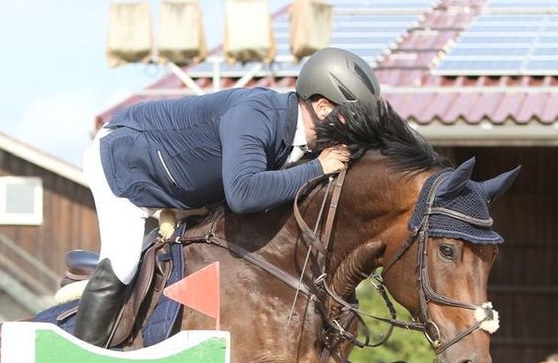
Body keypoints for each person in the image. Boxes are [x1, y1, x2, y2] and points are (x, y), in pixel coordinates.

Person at [74, 46, 380, 346]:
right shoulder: (257, 114)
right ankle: (79, 362)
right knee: (123, 262)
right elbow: (243, 194)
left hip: (183, 185)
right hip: (125, 165)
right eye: (349, 119)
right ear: (323, 106)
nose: (352, 131)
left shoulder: (303, 142)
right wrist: (317, 168)